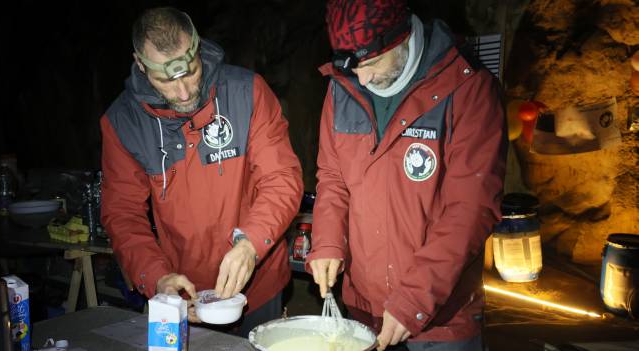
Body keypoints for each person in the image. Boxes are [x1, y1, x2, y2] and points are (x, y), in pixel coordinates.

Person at [306, 1, 507, 350]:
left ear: (403, 37)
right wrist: (327, 242)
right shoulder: (343, 88)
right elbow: (333, 178)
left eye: (371, 63)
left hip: (442, 316)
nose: (363, 78)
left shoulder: (467, 88)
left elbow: (469, 210)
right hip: (363, 306)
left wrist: (413, 299)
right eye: (355, 66)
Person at [100, 6, 303, 337]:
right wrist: (156, 278)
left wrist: (250, 244)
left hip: (259, 284)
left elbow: (281, 179)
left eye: (190, 72)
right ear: (140, 64)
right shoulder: (123, 123)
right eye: (166, 80)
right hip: (182, 293)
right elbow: (122, 214)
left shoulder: (246, 91)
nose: (183, 93)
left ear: (198, 49)